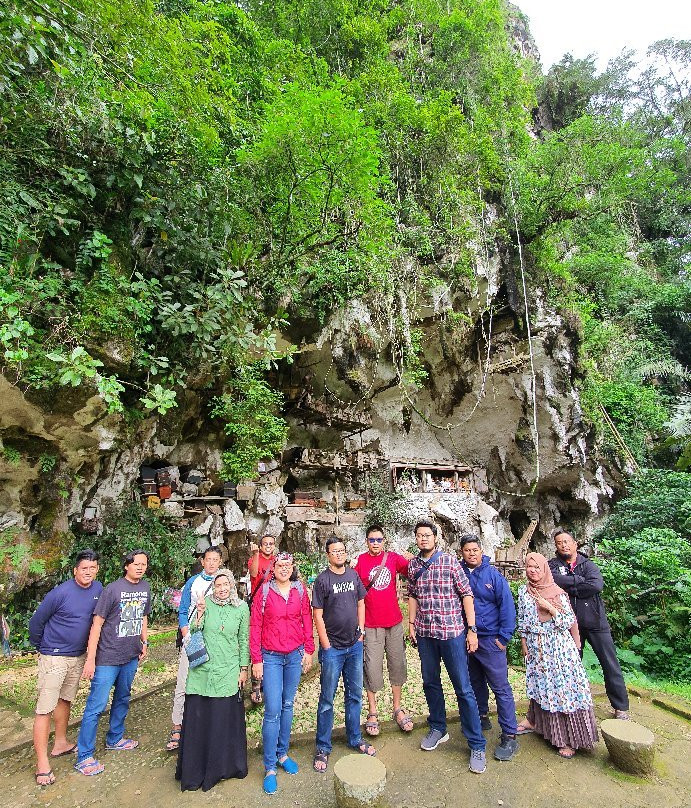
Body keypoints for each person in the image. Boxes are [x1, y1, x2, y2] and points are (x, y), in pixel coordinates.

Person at [408, 521, 487, 774]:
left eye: (427, 535)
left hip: (452, 633)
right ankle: (438, 727)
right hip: (426, 633)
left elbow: (466, 594)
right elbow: (412, 595)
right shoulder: (413, 565)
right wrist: (411, 624)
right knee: (430, 682)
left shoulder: (451, 562)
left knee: (463, 687)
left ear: (435, 538)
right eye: (419, 536)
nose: (423, 539)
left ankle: (476, 743)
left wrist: (472, 630)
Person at [29, 549, 102, 786]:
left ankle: (60, 742)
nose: (88, 572)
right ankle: (42, 764)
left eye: (92, 568)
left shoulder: (98, 590)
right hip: (54, 657)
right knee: (44, 708)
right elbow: (37, 622)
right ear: (75, 570)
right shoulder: (60, 593)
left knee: (65, 700)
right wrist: (45, 648)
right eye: (84, 568)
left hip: (78, 656)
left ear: (97, 569)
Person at [74, 550, 151, 776]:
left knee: (123, 698)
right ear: (126, 565)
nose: (140, 567)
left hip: (131, 655)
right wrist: (90, 659)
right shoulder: (112, 589)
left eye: (143, 564)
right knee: (96, 706)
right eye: (136, 563)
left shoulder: (145, 588)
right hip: (107, 657)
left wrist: (144, 641)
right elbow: (97, 624)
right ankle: (84, 755)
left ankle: (115, 738)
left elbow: (143, 616)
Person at [516, 552, 598, 758]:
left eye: (537, 568)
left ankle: (569, 739)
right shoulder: (524, 591)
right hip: (536, 647)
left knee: (562, 691)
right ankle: (535, 721)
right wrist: (524, 643)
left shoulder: (556, 592)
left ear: (544, 569)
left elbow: (568, 622)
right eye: (529, 567)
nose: (532, 571)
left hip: (558, 648)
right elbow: (523, 620)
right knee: (540, 687)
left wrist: (551, 608)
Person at [175, 568, 250, 791]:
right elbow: (194, 632)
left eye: (226, 584)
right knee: (200, 719)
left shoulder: (241, 607)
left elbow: (244, 639)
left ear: (232, 586)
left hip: (227, 669)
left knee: (220, 720)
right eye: (218, 585)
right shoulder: (205, 602)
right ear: (213, 588)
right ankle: (195, 770)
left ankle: (221, 768)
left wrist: (243, 668)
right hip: (202, 671)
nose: (222, 589)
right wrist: (198, 614)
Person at [548, 529, 630, 719]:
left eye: (567, 541)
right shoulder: (553, 566)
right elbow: (553, 581)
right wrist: (579, 581)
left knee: (610, 664)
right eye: (559, 542)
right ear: (556, 546)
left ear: (575, 543)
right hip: (568, 624)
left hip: (595, 621)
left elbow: (596, 585)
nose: (564, 545)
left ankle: (621, 707)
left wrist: (570, 587)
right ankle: (571, 705)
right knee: (568, 666)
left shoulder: (588, 564)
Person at [250, 552, 314, 794]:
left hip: (294, 654)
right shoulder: (265, 592)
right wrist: (257, 659)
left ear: (292, 567)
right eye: (280, 565)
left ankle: (282, 753)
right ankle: (269, 766)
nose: (284, 569)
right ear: (273, 568)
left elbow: (306, 618)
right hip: (271, 656)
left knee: (288, 704)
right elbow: (255, 625)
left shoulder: (299, 590)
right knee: (273, 709)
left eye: (288, 565)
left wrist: (309, 649)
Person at [312, 536, 375, 773]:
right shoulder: (322, 580)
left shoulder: (353, 575)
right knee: (327, 699)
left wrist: (360, 632)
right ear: (328, 555)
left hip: (354, 646)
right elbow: (317, 614)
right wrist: (326, 645)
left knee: (355, 695)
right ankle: (323, 746)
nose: (339, 554)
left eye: (342, 550)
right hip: (333, 649)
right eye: (334, 551)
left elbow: (361, 603)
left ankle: (355, 738)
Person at [459, 534, 519, 761]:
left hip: (491, 639)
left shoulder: (493, 575)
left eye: (475, 549)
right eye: (467, 550)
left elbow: (507, 607)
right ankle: (481, 716)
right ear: (461, 552)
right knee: (474, 682)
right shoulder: (460, 573)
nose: (471, 553)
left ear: (481, 550)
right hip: (467, 639)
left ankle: (510, 735)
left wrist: (503, 638)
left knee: (500, 687)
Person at [353, 524, 414, 736]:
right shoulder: (360, 561)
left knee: (397, 664)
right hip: (370, 624)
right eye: (372, 540)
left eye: (379, 540)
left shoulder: (393, 558)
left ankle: (397, 707)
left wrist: (412, 557)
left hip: (394, 623)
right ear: (366, 541)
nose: (376, 543)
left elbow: (413, 571)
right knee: (371, 667)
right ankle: (372, 711)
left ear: (384, 541)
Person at [166, 546, 222, 751]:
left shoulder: (223, 582)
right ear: (202, 561)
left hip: (214, 639)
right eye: (208, 559)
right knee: (184, 681)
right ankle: (177, 726)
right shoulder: (193, 582)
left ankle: (202, 724)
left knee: (209, 680)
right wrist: (185, 632)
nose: (212, 563)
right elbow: (182, 610)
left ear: (220, 562)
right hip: (193, 638)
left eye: (215, 560)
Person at [247, 534, 277, 704]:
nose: (268, 546)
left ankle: (267, 682)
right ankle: (256, 686)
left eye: (271, 544)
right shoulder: (255, 558)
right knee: (256, 643)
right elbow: (253, 573)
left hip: (273, 607)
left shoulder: (276, 561)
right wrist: (256, 554)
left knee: (269, 642)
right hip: (258, 606)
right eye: (265, 543)